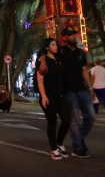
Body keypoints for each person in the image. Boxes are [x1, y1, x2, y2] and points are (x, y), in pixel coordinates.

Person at [40, 27, 95, 158]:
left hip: (82, 89)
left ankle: (79, 140)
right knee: (74, 119)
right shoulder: (61, 51)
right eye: (70, 35)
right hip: (68, 90)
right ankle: (78, 148)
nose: (73, 37)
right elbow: (45, 53)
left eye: (74, 34)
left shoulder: (81, 52)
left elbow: (84, 71)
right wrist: (41, 62)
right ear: (64, 38)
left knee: (91, 116)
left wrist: (90, 88)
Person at [36, 37, 72, 160]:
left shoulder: (58, 59)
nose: (55, 46)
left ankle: (59, 142)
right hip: (48, 96)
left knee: (67, 120)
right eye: (52, 45)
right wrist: (44, 96)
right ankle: (54, 149)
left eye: (56, 44)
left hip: (60, 95)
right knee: (52, 122)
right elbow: (40, 80)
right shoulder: (42, 62)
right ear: (47, 47)